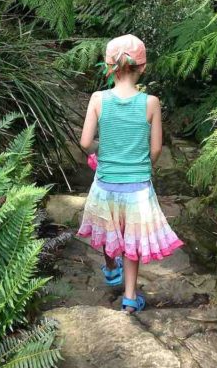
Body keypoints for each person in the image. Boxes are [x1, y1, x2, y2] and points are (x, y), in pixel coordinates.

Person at [76, 34, 184, 313]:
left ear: (108, 66)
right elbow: (157, 148)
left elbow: (85, 142)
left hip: (106, 182)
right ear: (143, 67)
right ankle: (129, 298)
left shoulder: (99, 99)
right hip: (137, 186)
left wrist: (98, 154)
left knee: (108, 228)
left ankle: (111, 267)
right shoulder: (150, 103)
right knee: (132, 240)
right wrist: (144, 164)